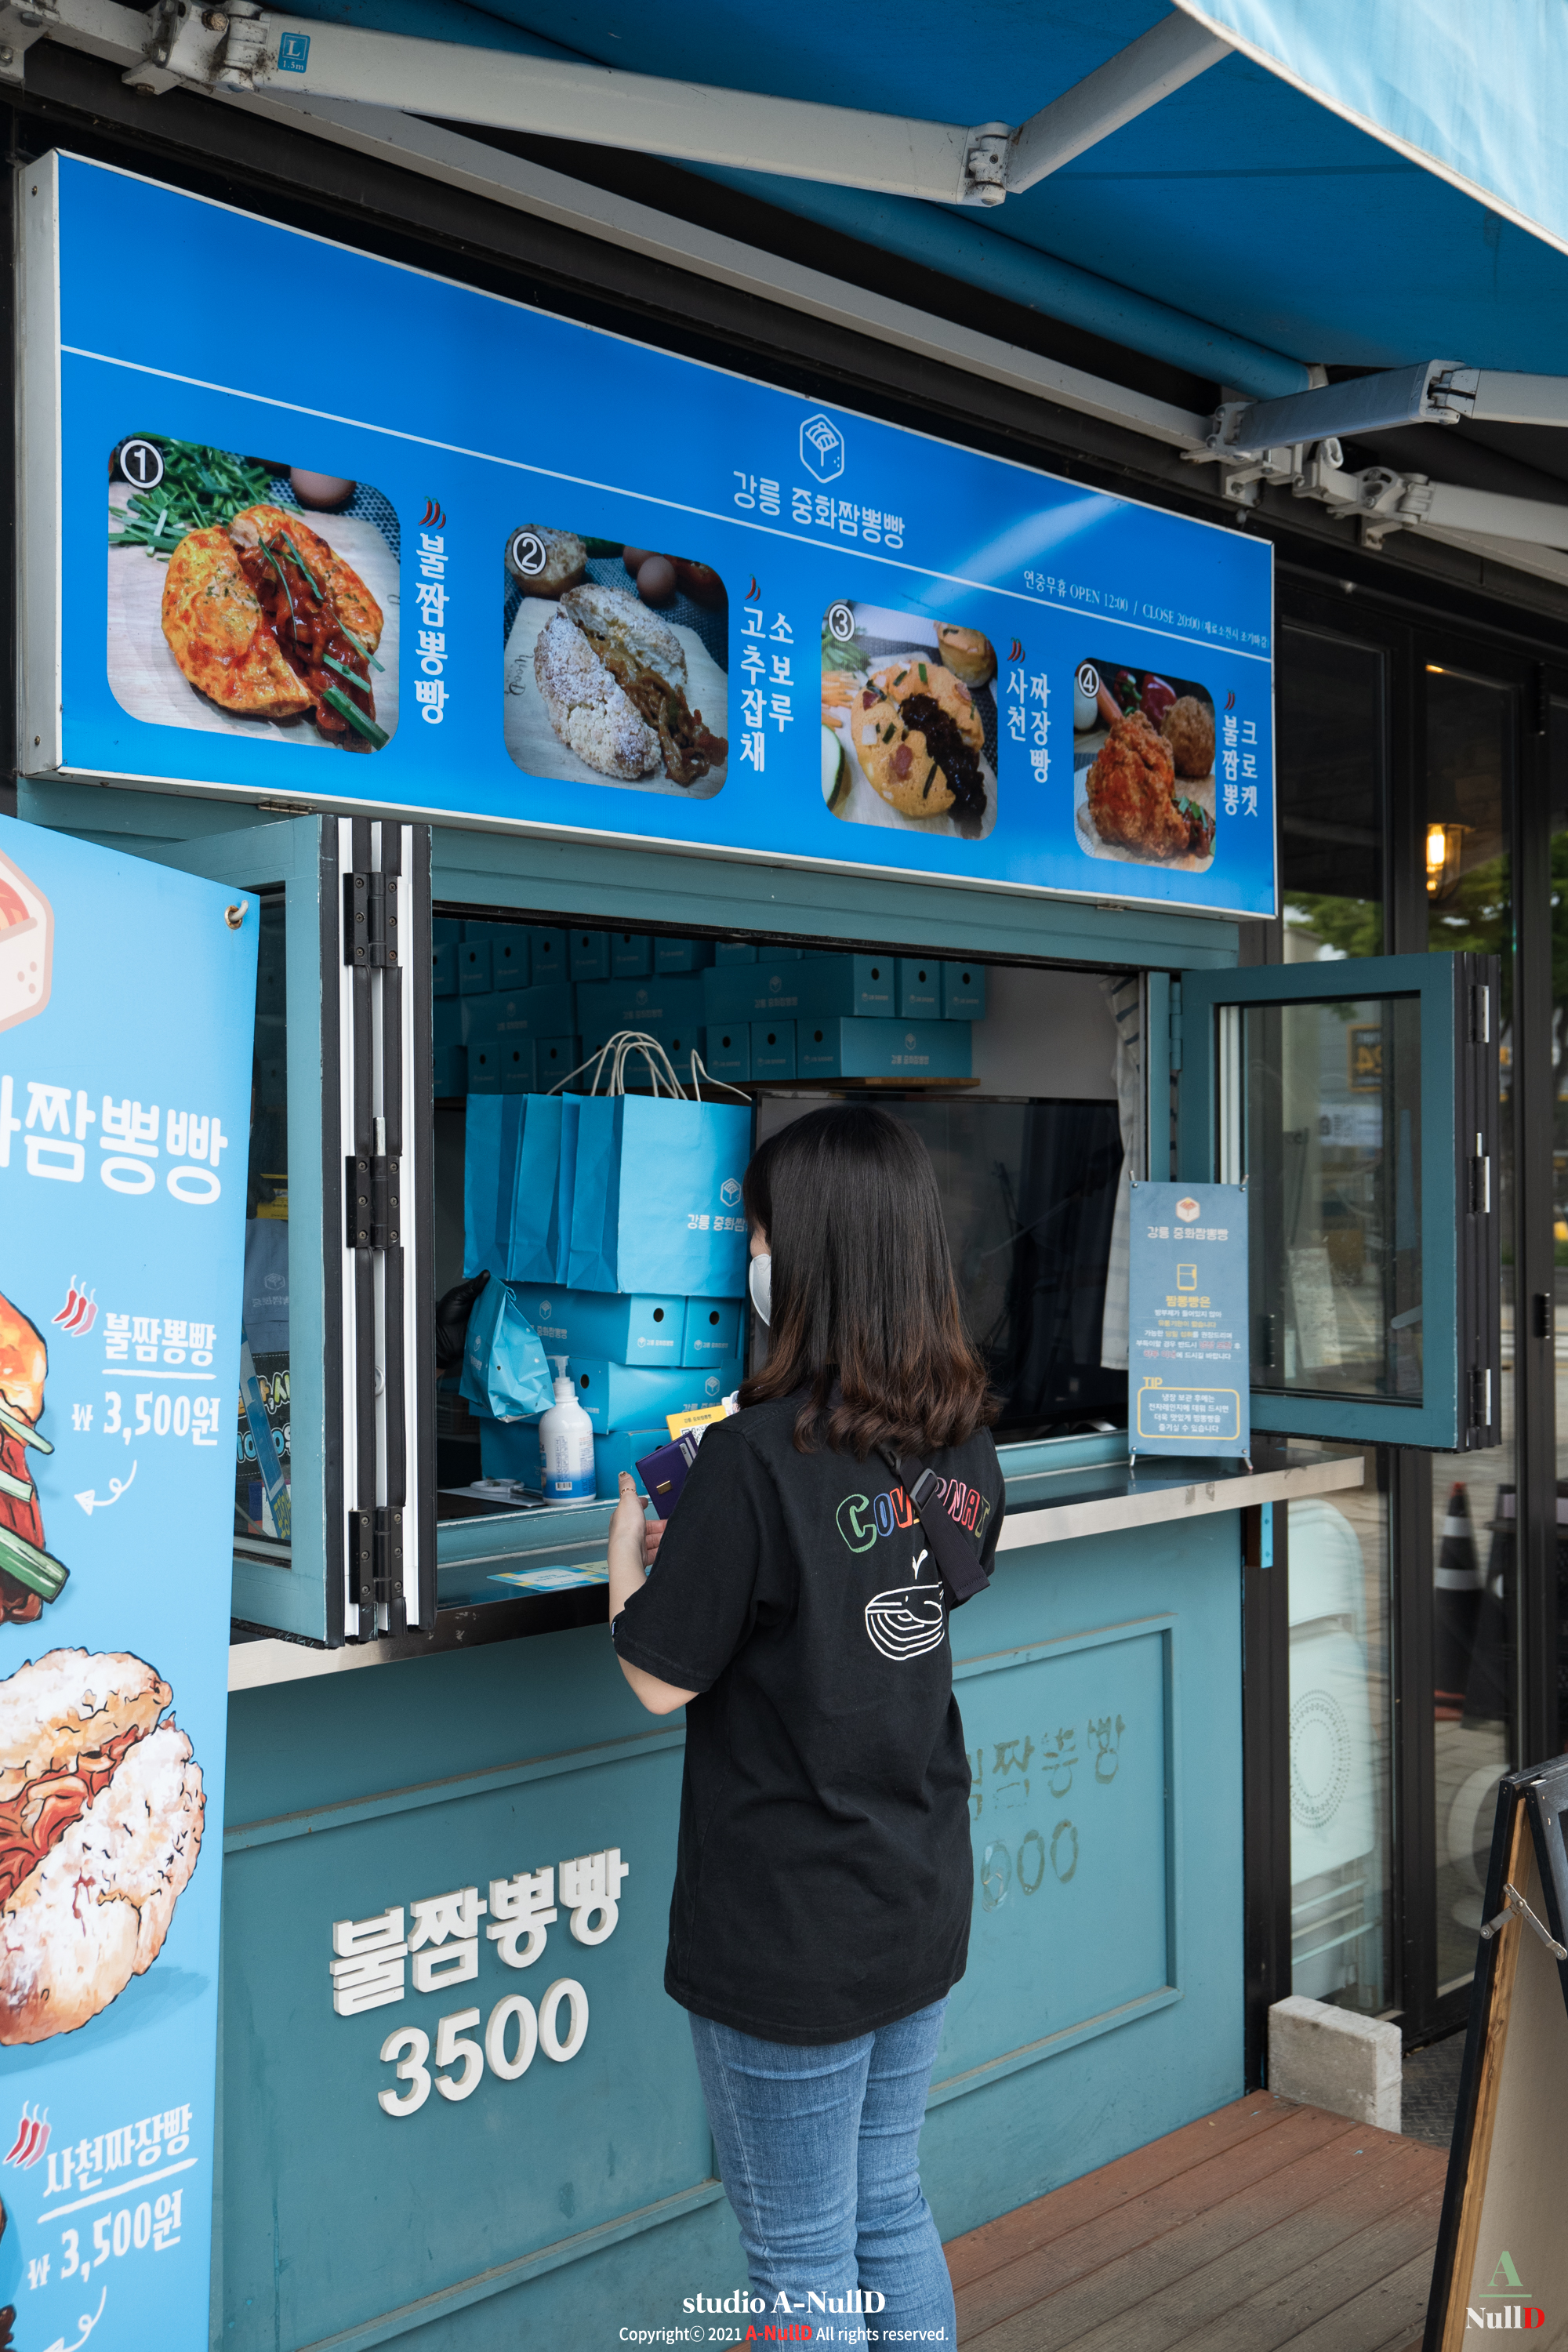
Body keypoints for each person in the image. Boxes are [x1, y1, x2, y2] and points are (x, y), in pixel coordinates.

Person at [608, 1103, 1004, 2343]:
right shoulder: (962, 1440)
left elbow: (657, 1678)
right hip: (915, 1884)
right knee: (888, 2205)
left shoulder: (751, 1459)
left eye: (760, 1236)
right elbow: (905, 1587)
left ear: (812, 1255)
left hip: (789, 1924)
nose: (751, 1259)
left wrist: (629, 1550)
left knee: (799, 2264)